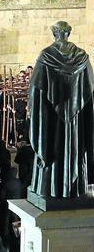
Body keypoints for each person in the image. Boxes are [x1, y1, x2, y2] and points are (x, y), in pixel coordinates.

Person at [28, 21, 94, 199]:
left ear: (54, 33)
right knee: (74, 148)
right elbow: (89, 93)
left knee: (52, 144)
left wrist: (34, 109)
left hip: (50, 119)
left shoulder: (46, 56)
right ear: (68, 34)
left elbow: (36, 91)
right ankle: (73, 187)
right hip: (75, 123)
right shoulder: (83, 57)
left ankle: (50, 187)